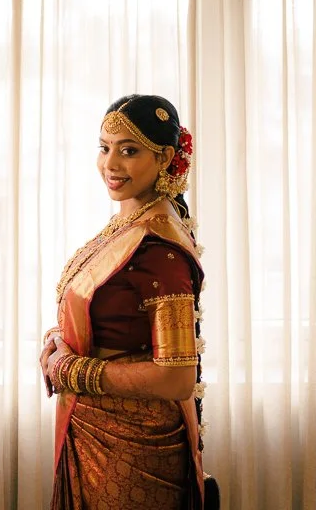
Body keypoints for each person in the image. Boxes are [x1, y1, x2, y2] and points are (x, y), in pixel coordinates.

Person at [40, 94, 207, 509]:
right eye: (104, 148)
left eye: (128, 151)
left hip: (132, 446)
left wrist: (73, 370)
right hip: (93, 424)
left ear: (165, 157)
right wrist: (61, 338)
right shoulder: (128, 223)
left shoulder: (159, 249)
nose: (110, 164)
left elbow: (177, 378)